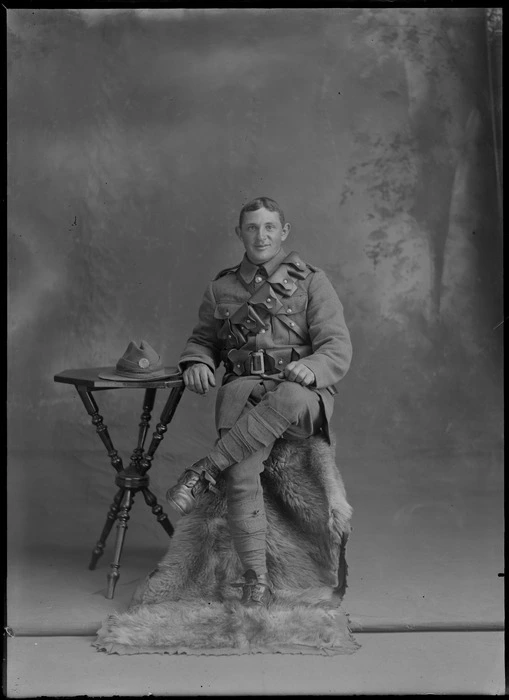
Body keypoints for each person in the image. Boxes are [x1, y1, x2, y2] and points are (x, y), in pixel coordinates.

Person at [166, 196, 352, 607]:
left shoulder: (311, 281)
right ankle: (256, 578)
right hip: (244, 394)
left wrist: (314, 368)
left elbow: (336, 345)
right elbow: (202, 339)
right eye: (252, 227)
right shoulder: (222, 288)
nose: (261, 235)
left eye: (270, 227)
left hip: (302, 397)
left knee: (288, 393)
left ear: (284, 232)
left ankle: (203, 470)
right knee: (244, 469)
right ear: (240, 233)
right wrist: (196, 361)